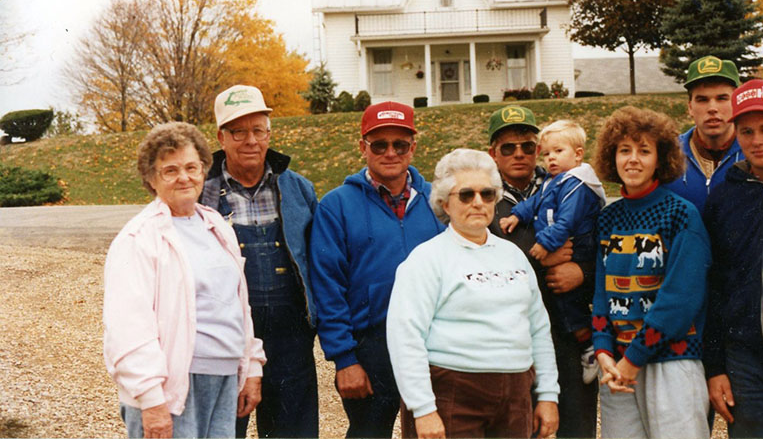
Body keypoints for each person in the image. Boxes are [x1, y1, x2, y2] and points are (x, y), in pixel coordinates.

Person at [104, 122, 266, 439]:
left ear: (204, 169)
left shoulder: (216, 226)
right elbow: (128, 329)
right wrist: (151, 401)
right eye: (170, 170)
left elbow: (238, 306)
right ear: (151, 178)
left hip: (222, 380)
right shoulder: (138, 238)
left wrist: (252, 367)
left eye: (192, 167)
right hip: (173, 385)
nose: (184, 177)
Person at [386, 148, 559, 439]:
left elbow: (538, 329)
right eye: (466, 195)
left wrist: (548, 395)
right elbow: (405, 337)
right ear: (445, 203)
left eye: (487, 194)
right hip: (452, 394)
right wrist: (424, 409)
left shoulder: (514, 256)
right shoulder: (426, 259)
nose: (478, 202)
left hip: (515, 396)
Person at [310, 101, 445, 438]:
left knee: (433, 431)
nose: (390, 153)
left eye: (399, 144)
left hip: (432, 340)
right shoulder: (337, 205)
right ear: (362, 147)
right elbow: (328, 287)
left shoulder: (438, 201)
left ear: (413, 147)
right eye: (379, 144)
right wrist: (344, 359)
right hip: (370, 345)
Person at [200, 84, 319, 439]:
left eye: (258, 130)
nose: (250, 140)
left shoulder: (298, 188)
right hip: (225, 334)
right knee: (223, 429)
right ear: (221, 137)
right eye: (239, 131)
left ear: (269, 134)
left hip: (290, 335)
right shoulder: (201, 192)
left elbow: (318, 260)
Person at [591, 106, 712, 439]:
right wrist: (602, 349)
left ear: (661, 159)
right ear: (611, 156)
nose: (633, 159)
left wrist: (635, 357)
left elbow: (681, 299)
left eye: (644, 151)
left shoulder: (680, 215)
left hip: (669, 362)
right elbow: (602, 292)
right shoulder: (608, 217)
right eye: (624, 150)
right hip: (617, 364)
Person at [486, 106, 598, 439]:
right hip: (511, 339)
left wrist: (581, 270)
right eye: (508, 147)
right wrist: (538, 261)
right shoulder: (482, 198)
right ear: (493, 154)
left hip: (567, 332)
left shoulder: (568, 186)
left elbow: (601, 245)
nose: (519, 153)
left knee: (575, 427)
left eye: (527, 145)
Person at [703, 79, 763, 438]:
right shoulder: (724, 197)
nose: (757, 140)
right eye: (746, 131)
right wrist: (715, 367)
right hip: (745, 362)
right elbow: (713, 284)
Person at [499, 120, 606, 382]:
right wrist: (517, 215)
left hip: (578, 248)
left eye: (558, 152)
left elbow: (567, 221)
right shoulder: (553, 181)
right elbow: (536, 203)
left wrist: (544, 245)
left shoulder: (578, 184)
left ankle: (591, 348)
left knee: (571, 306)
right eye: (547, 154)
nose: (551, 159)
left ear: (578, 154)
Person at [664, 55, 743, 212]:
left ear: (736, 103)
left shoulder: (754, 152)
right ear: (690, 107)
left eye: (722, 98)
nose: (712, 108)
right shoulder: (668, 154)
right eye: (702, 100)